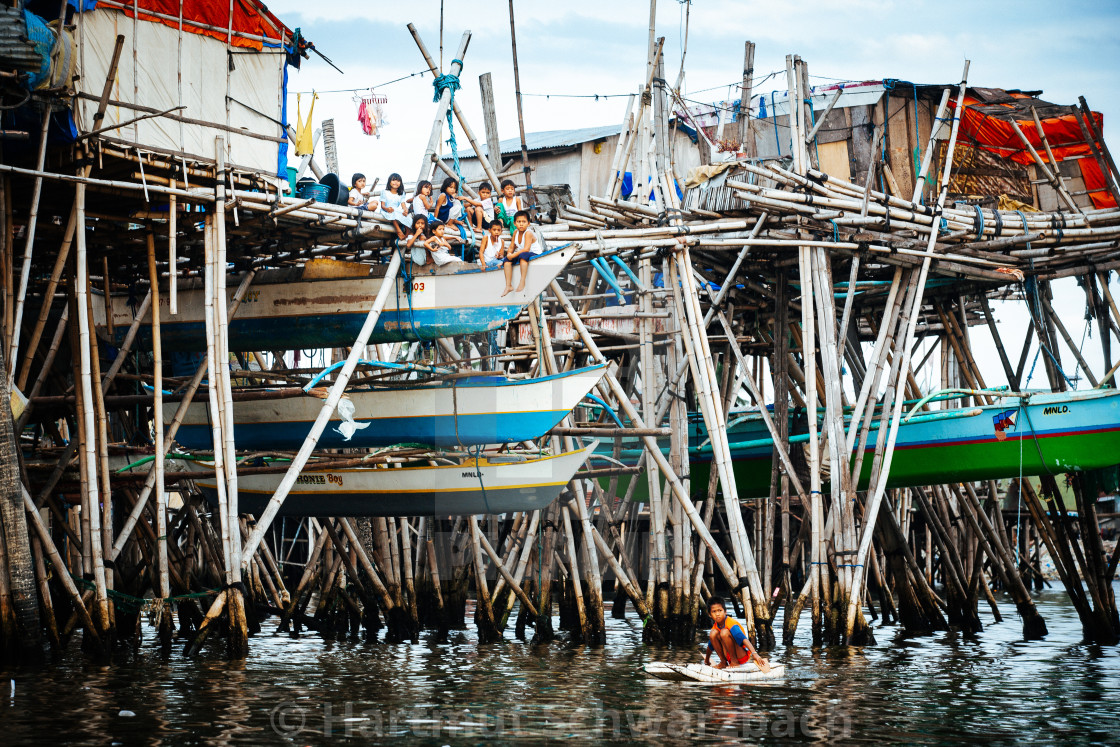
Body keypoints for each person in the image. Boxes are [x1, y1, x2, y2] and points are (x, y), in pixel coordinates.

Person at [703, 596, 770, 672]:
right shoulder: (715, 627)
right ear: (709, 614)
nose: (717, 614)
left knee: (724, 632)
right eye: (714, 611)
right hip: (728, 655)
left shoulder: (731, 623)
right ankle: (723, 662)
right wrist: (707, 660)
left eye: (720, 610)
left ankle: (734, 662)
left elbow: (743, 639)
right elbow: (710, 645)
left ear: (725, 612)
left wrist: (755, 654)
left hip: (741, 655)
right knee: (713, 633)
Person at [501, 210, 536, 296]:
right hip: (521, 253)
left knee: (522, 256)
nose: (521, 224)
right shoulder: (516, 232)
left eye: (524, 222)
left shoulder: (528, 233)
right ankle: (508, 286)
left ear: (528, 223)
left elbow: (526, 249)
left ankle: (522, 281)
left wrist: (513, 255)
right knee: (506, 260)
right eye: (518, 222)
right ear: (514, 223)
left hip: (533, 253)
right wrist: (509, 254)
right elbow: (512, 246)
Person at [378, 172, 412, 240]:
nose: (396, 182)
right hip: (386, 210)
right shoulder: (384, 192)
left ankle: (408, 232)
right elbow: (382, 205)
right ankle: (399, 231)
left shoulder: (401, 194)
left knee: (407, 215)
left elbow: (403, 205)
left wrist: (405, 210)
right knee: (393, 212)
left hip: (396, 210)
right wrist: (387, 209)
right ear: (389, 182)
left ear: (401, 183)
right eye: (393, 180)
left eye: (398, 181)